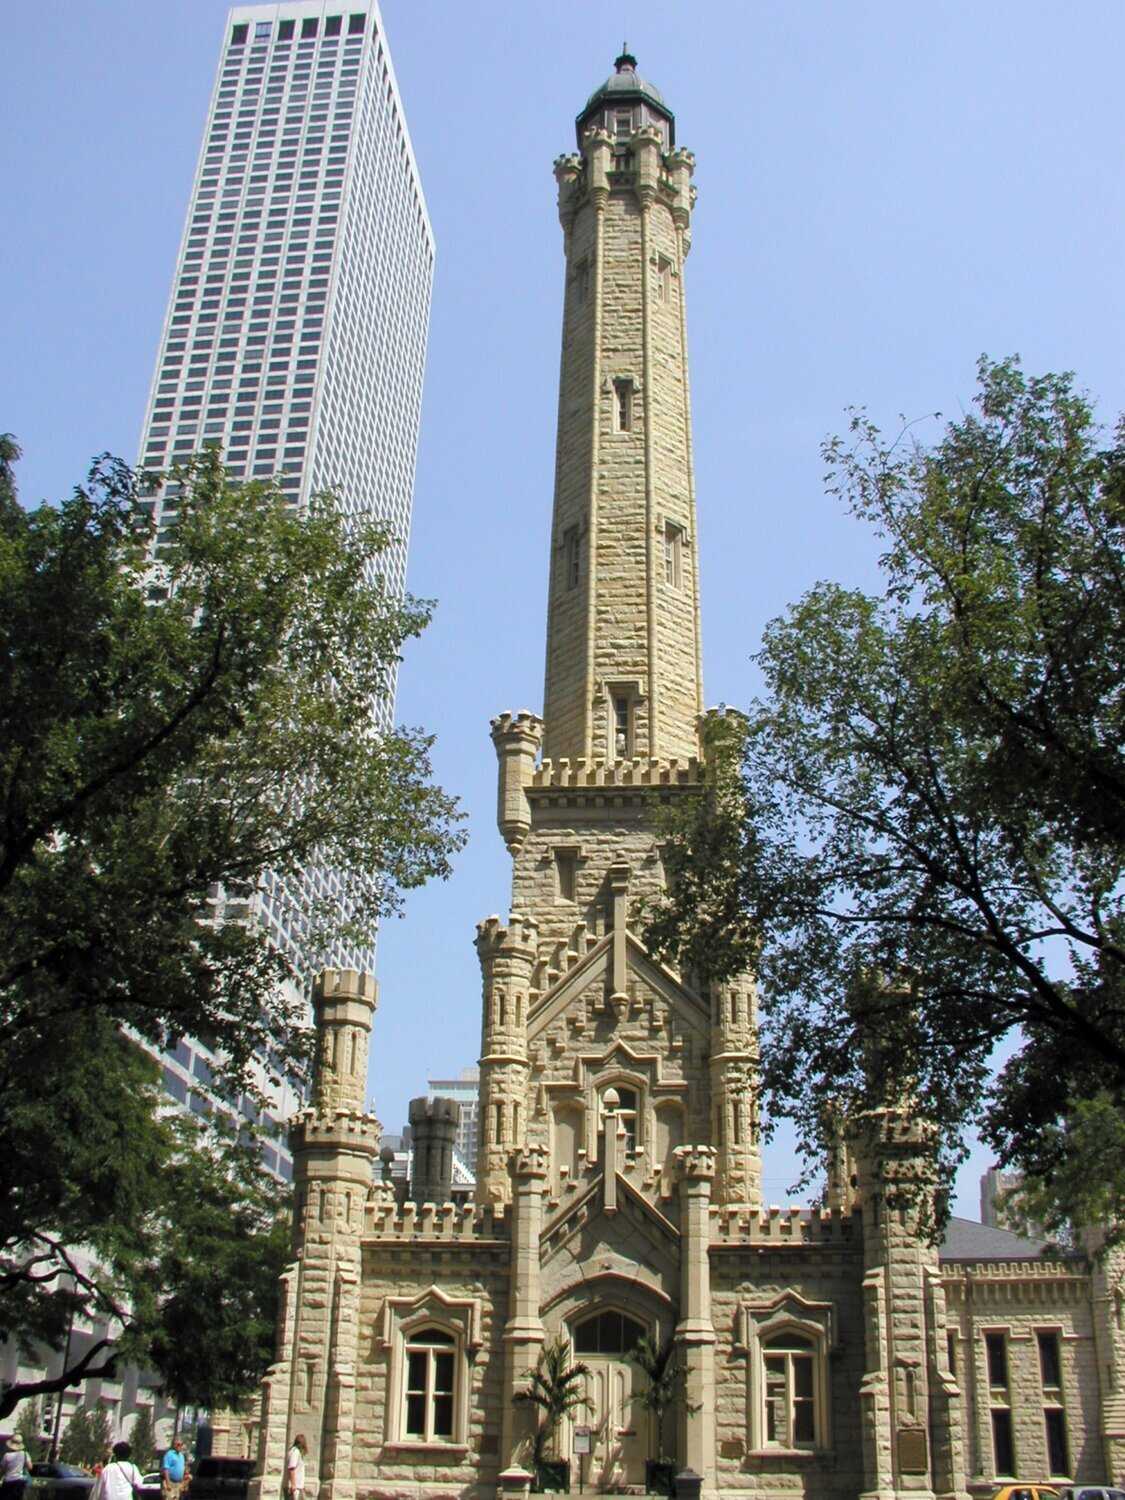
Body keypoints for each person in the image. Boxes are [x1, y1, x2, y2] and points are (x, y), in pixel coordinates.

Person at [1, 1434, 29, 1500]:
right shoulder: (25, 1454)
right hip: (19, 1482)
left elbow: (2, 1469)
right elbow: (30, 1466)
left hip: (8, 1482)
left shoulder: (7, 1455)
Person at [284, 1435, 307, 1500]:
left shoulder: (294, 1451)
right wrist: (293, 1485)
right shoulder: (295, 1452)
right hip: (294, 1487)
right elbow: (291, 1468)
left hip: (298, 1486)